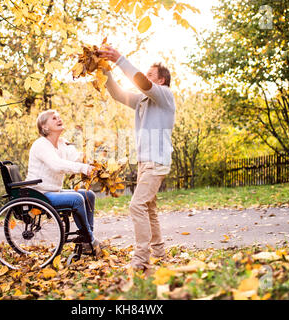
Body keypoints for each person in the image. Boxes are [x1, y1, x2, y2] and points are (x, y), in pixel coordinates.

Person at [99, 46, 176, 272]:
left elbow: (141, 82)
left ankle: (141, 259)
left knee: (137, 206)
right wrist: (105, 70)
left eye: (150, 75)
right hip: (145, 163)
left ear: (161, 81)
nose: (144, 77)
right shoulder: (142, 101)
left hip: (157, 162)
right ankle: (159, 253)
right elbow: (117, 94)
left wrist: (119, 59)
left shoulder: (164, 96)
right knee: (149, 209)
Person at [25, 109, 101, 256]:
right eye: (54, 118)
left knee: (88, 195)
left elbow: (76, 157)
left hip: (53, 191)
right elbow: (57, 165)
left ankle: (86, 241)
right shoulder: (41, 144)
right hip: (39, 193)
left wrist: (94, 164)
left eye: (59, 117)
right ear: (45, 127)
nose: (59, 119)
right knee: (77, 199)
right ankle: (90, 239)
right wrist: (84, 168)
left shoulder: (61, 143)